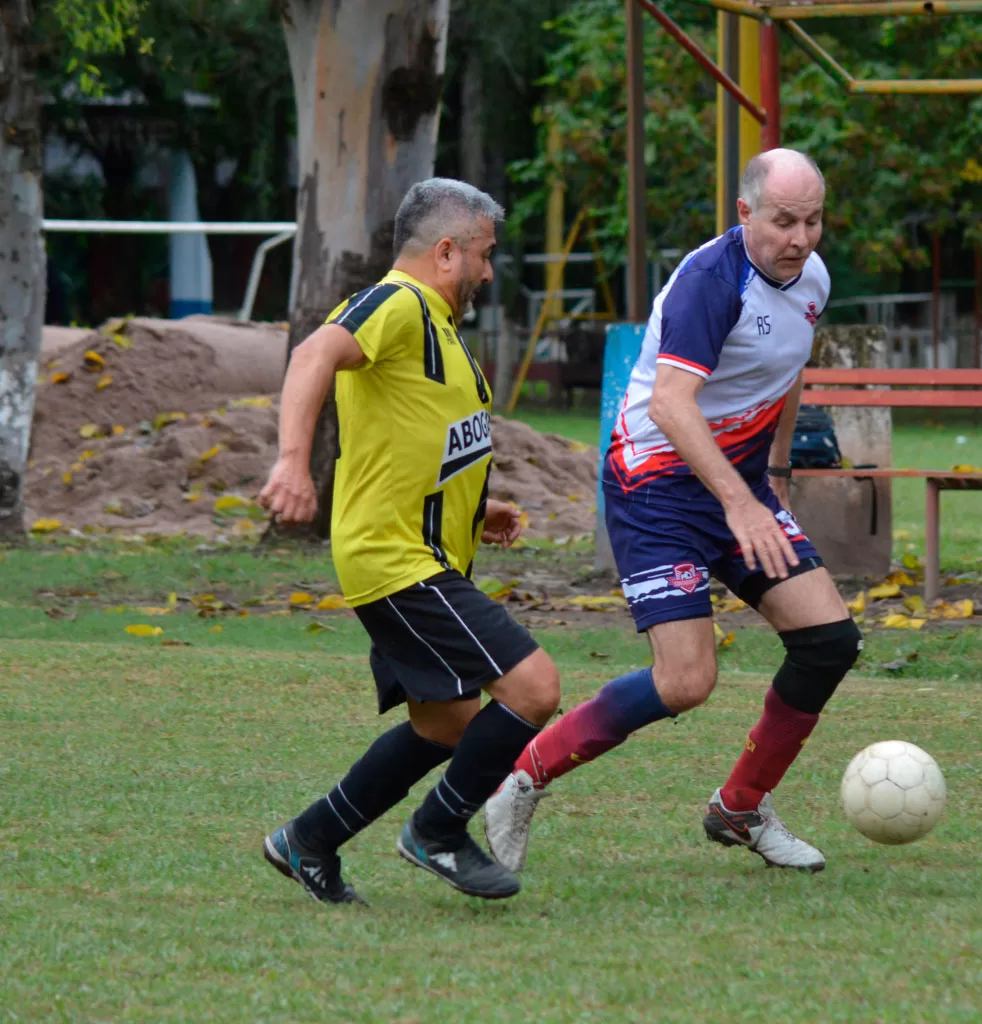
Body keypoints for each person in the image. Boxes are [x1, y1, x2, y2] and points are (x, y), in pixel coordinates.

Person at [485, 149, 862, 874]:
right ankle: (523, 778)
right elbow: (669, 402)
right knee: (686, 681)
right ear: (745, 213)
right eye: (785, 221)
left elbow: (788, 367)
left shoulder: (811, 277)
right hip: (655, 488)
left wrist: (773, 477)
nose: (802, 239)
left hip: (736, 486)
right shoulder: (709, 284)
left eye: (814, 221)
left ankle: (742, 805)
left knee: (829, 642)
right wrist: (739, 505)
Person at [258, 179, 561, 903]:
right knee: (534, 687)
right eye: (484, 256)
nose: (489, 272)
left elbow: (419, 436)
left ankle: (308, 840)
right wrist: (292, 462)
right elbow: (310, 358)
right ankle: (438, 831)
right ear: (447, 250)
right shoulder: (396, 303)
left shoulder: (441, 328)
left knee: (448, 725)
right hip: (395, 561)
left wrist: (476, 506)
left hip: (418, 554)